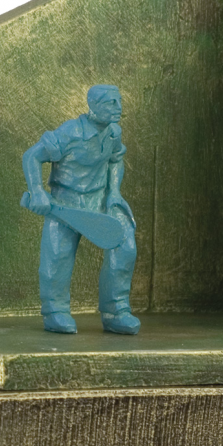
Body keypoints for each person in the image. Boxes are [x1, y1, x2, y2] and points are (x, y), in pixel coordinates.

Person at [22, 84, 140, 334]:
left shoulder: (113, 133)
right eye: (111, 103)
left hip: (100, 201)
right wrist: (37, 191)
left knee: (125, 243)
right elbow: (32, 156)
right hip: (66, 204)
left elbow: (116, 160)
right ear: (93, 106)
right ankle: (55, 312)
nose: (118, 108)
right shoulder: (70, 132)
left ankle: (116, 311)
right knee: (58, 255)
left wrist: (114, 192)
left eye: (119, 101)